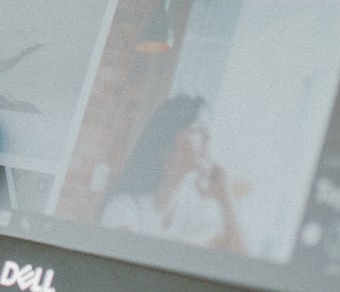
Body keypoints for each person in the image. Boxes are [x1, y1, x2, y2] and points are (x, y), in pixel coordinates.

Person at [100, 95, 245, 253]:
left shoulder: (196, 208)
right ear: (167, 142)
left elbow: (242, 261)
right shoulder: (125, 207)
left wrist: (225, 196)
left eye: (207, 130)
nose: (208, 138)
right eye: (196, 130)